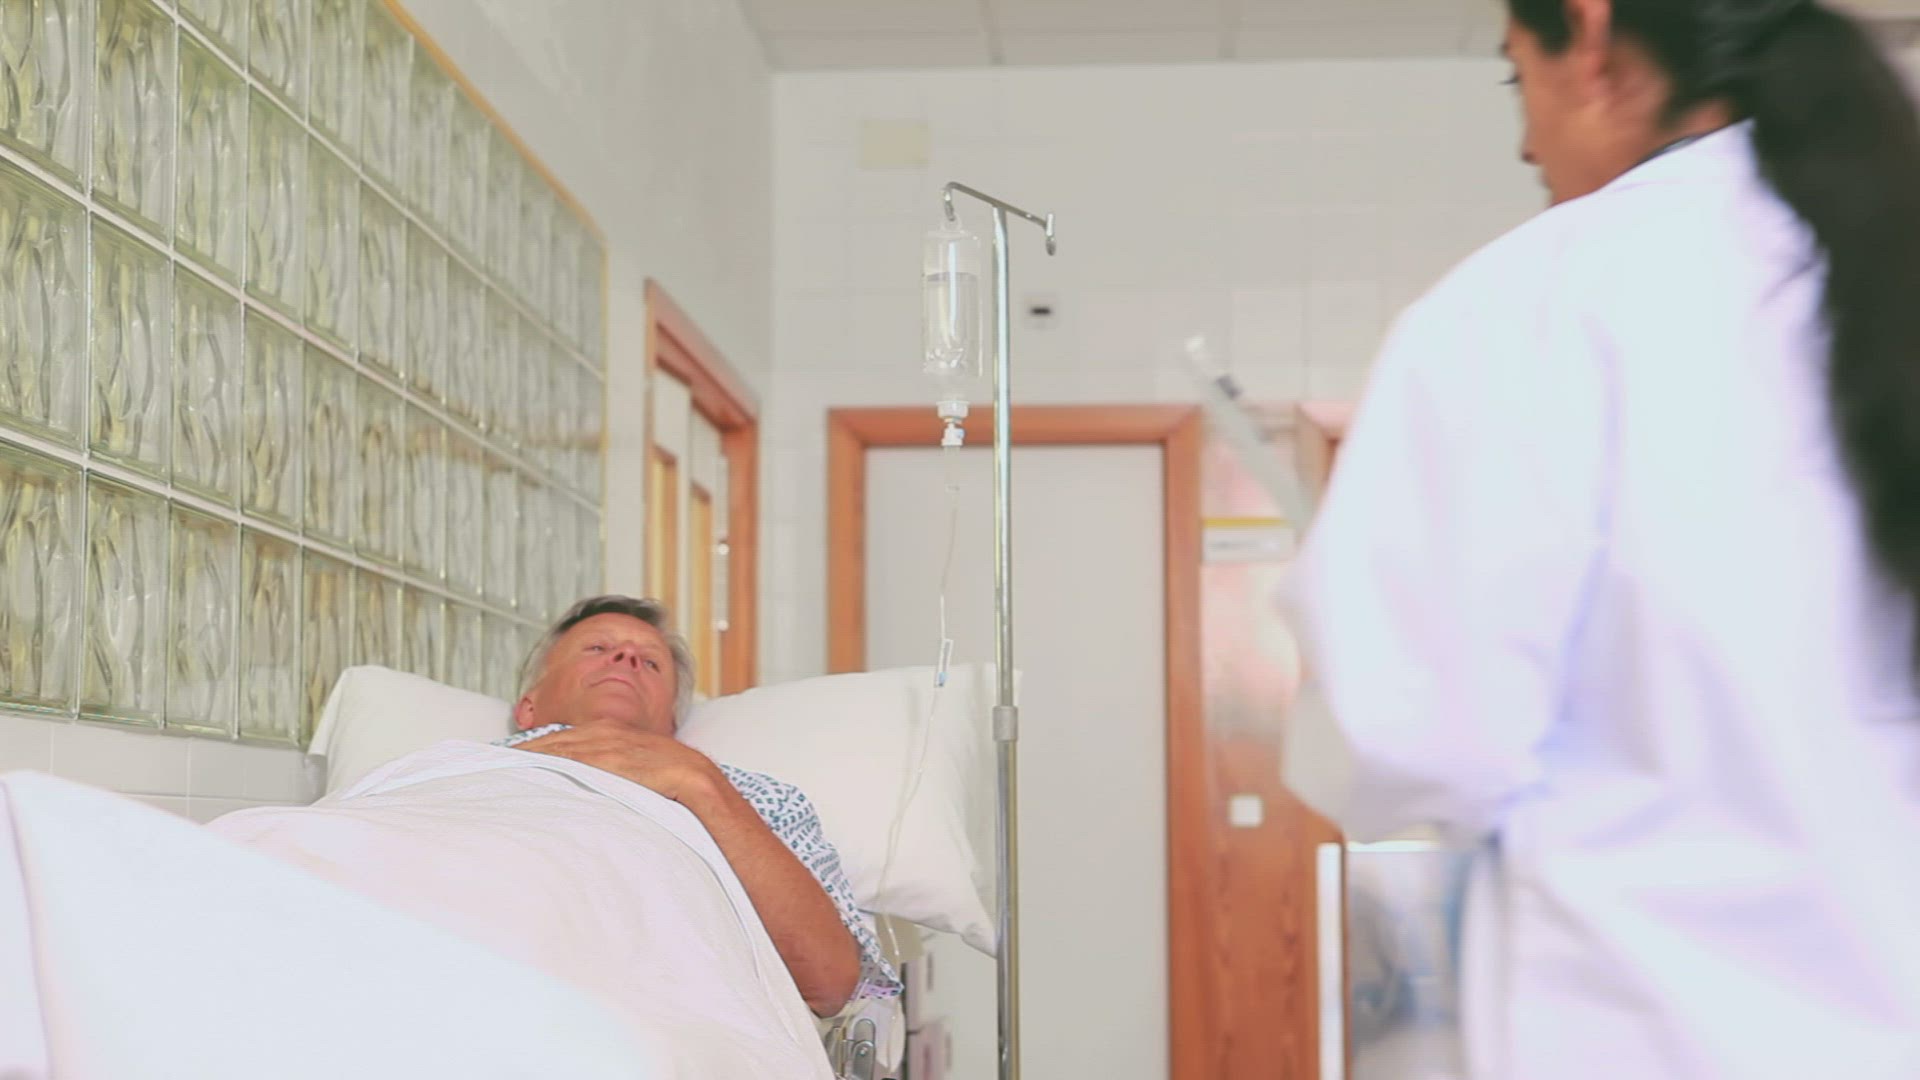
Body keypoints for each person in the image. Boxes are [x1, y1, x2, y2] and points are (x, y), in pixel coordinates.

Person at [1280, 2, 1920, 1078]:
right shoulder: (1876, 279)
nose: (1526, 144)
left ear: (1589, 36)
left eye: (1515, 77)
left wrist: (1330, 600)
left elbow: (1408, 735)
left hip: (1651, 1034)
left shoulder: (1536, 307)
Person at [499, 594, 898, 1017]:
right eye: (597, 648)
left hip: (644, 1009)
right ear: (528, 709)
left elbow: (829, 980)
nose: (626, 656)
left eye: (651, 662)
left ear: (671, 723)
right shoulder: (465, 767)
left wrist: (701, 785)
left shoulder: (753, 797)